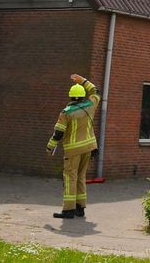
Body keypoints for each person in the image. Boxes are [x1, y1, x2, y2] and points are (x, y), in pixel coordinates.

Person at [46, 74, 101, 219]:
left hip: (73, 150)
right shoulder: (91, 105)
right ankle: (80, 208)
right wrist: (82, 80)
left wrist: (50, 147)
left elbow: (58, 133)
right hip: (89, 148)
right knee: (81, 176)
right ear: (83, 96)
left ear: (70, 96)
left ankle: (68, 210)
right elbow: (96, 91)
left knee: (70, 177)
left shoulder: (66, 112)